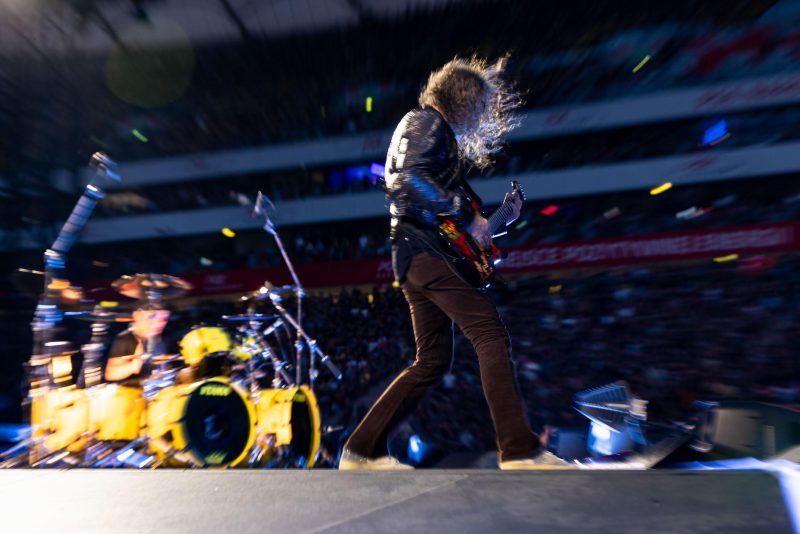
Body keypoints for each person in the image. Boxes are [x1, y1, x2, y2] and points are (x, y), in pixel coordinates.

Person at [339, 57, 573, 470]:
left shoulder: (427, 131)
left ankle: (361, 450)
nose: (483, 117)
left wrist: (498, 220)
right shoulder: (427, 124)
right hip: (423, 252)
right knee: (489, 334)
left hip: (418, 254)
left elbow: (459, 224)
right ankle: (519, 450)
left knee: (432, 360)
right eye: (481, 106)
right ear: (464, 99)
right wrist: (466, 216)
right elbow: (407, 180)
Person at [104, 306, 171, 384]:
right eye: (153, 318)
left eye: (163, 320)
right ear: (138, 317)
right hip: (130, 391)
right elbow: (111, 374)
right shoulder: (124, 340)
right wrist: (133, 365)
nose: (159, 324)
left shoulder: (160, 338)